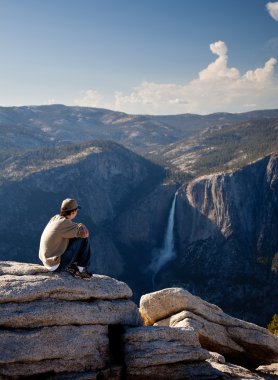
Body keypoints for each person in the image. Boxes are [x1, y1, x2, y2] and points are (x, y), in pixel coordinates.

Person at [39, 198, 92, 279]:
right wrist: (81, 225)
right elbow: (85, 233)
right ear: (73, 212)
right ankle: (81, 270)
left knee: (74, 235)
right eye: (76, 210)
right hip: (55, 265)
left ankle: (71, 266)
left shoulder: (55, 218)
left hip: (46, 261)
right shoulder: (65, 223)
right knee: (82, 238)